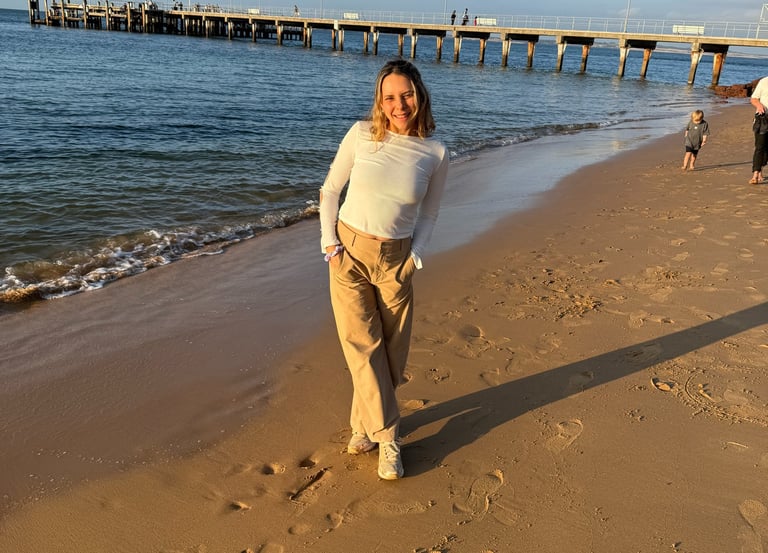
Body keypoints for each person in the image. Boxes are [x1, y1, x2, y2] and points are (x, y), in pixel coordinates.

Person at [319, 60, 449, 480]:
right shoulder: (361, 134)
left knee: (391, 355)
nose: (399, 105)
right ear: (380, 100)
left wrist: (416, 258)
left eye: (406, 95)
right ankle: (389, 439)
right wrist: (330, 246)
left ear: (420, 95)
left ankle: (362, 425)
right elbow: (330, 191)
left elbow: (429, 215)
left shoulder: (436, 153)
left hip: (397, 259)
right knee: (362, 347)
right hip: (349, 254)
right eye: (390, 97)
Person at [750, 76, 768, 184]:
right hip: (762, 119)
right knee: (759, 147)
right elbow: (753, 99)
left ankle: (761, 167)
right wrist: (759, 106)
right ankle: (755, 174)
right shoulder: (764, 81)